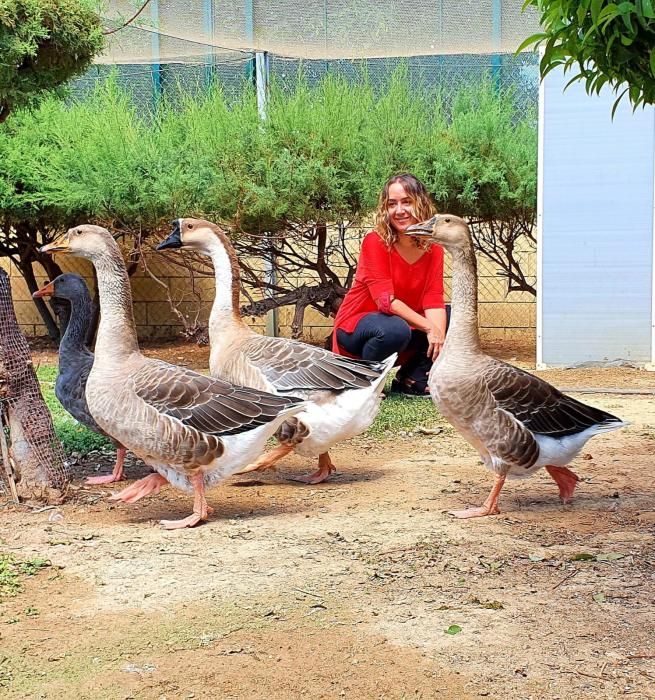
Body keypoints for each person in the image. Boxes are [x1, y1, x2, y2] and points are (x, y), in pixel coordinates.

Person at [332, 173, 448, 397]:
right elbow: (386, 302)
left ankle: (413, 378)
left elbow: (433, 297)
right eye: (392, 204)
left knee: (449, 319)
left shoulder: (434, 249)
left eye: (407, 202)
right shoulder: (375, 242)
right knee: (394, 328)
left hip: (402, 322)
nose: (399, 210)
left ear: (421, 203)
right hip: (359, 325)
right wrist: (429, 328)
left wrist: (438, 333)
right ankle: (363, 382)